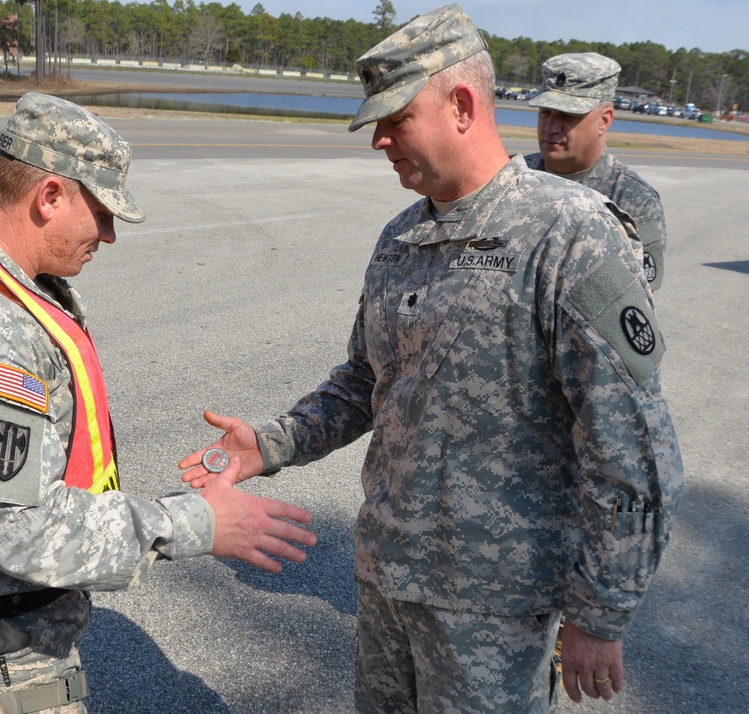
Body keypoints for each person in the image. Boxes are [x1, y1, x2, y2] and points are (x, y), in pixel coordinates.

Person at [179, 5, 683, 712]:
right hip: (388, 581)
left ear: (463, 105)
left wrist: (601, 614)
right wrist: (267, 444)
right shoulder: (401, 236)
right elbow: (364, 382)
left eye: (395, 118)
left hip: (494, 608)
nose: (379, 138)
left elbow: (632, 448)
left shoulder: (569, 234)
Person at [0, 92, 316, 714]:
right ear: (49, 196)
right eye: (101, 212)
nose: (107, 234)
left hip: (2, 635)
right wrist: (195, 523)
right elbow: (24, 529)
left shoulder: (4, 290)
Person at [525, 52, 667, 291]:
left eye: (568, 116)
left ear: (604, 120)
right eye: (545, 112)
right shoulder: (515, 177)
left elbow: (638, 292)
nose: (550, 127)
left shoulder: (633, 200)